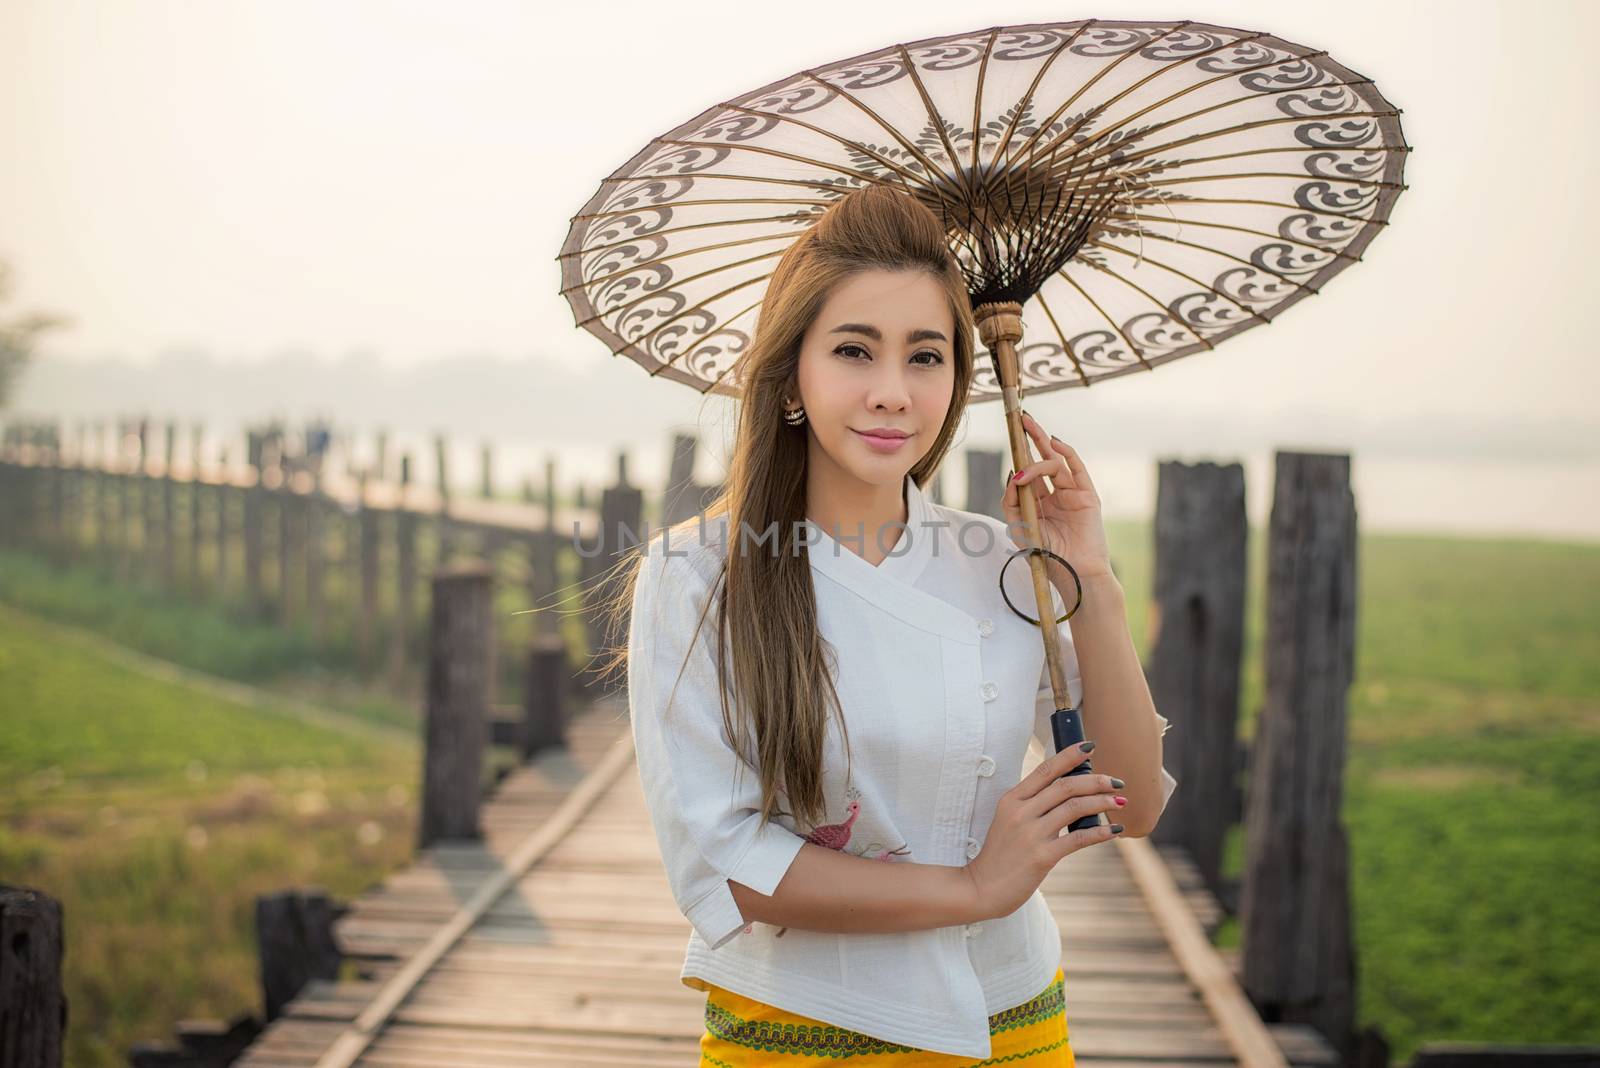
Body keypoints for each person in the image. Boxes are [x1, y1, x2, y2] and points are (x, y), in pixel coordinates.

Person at [597, 183, 1176, 1065]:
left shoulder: (1001, 560)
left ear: (958, 377)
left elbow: (1129, 802)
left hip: (1014, 1023)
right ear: (794, 373)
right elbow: (728, 865)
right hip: (796, 1032)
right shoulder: (698, 576)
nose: (893, 393)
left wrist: (1089, 578)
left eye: (925, 356)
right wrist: (975, 886)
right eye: (855, 351)